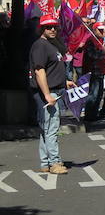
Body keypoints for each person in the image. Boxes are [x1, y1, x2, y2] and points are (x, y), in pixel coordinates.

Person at [29, 15, 75, 174]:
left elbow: (50, 70)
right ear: (42, 29)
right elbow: (39, 71)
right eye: (49, 27)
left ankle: (45, 162)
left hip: (55, 90)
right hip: (49, 94)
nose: (53, 29)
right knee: (51, 129)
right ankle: (54, 163)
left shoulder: (50, 45)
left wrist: (65, 82)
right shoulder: (40, 45)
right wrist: (47, 94)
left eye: (55, 26)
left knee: (46, 129)